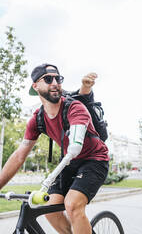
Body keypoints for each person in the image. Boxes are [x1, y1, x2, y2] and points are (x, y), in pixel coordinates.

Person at [0, 63, 109, 234]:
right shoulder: (37, 119)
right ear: (35, 86)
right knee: (49, 207)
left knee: (72, 205)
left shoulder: (75, 108)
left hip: (94, 160)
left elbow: (75, 145)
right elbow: (19, 156)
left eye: (58, 78)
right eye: (48, 79)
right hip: (69, 162)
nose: (55, 82)